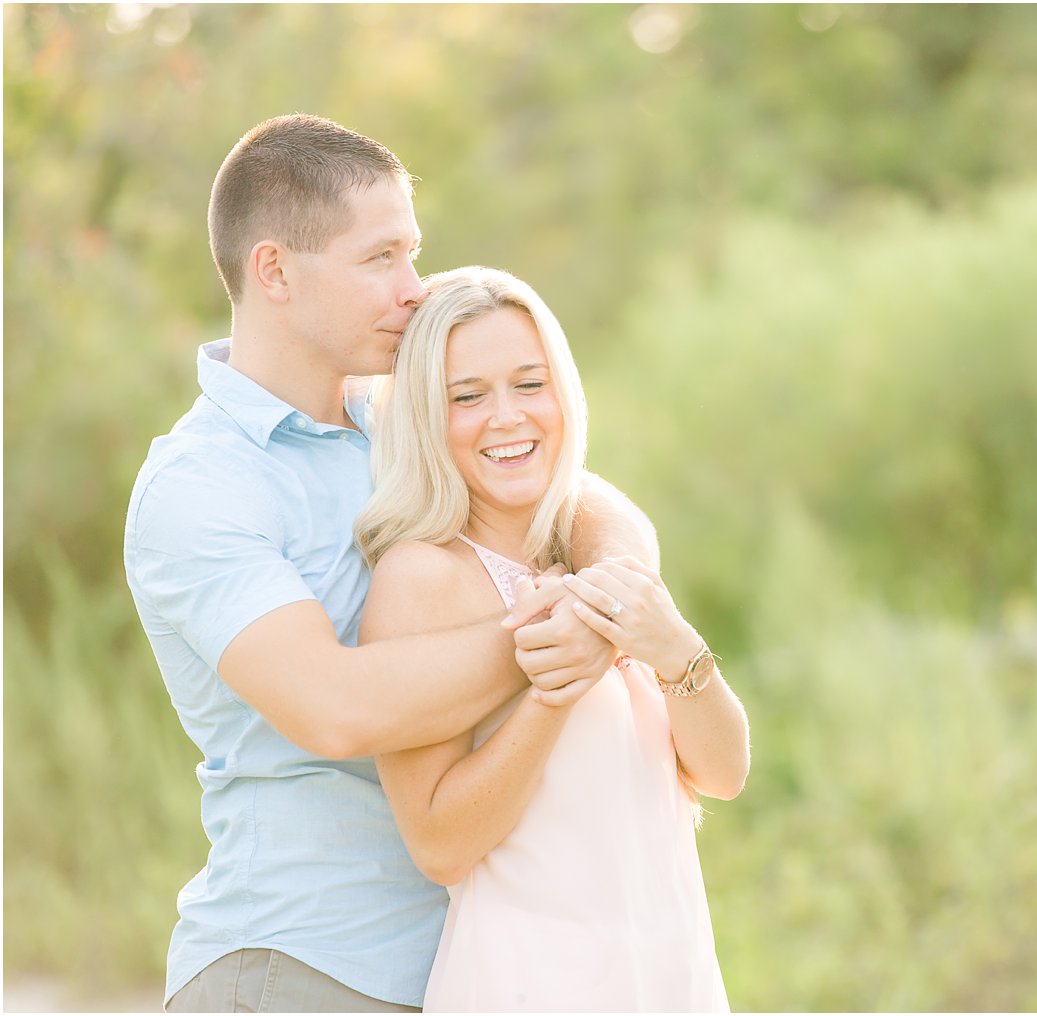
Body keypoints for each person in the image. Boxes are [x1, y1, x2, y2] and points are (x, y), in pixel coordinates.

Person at [124, 114, 659, 1012]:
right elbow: (334, 708)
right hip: (301, 969)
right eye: (380, 261)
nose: (413, 289)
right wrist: (559, 629)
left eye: (413, 254)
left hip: (472, 966)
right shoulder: (201, 486)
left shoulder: (396, 420)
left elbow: (589, 501)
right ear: (275, 271)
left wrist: (607, 595)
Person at [353, 265, 749, 1012]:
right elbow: (439, 844)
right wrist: (553, 682)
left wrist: (675, 650)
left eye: (529, 384)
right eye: (467, 396)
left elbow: (724, 773)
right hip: (530, 985)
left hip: (671, 977)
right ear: (424, 418)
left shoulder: (593, 552)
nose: (507, 417)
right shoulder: (422, 577)